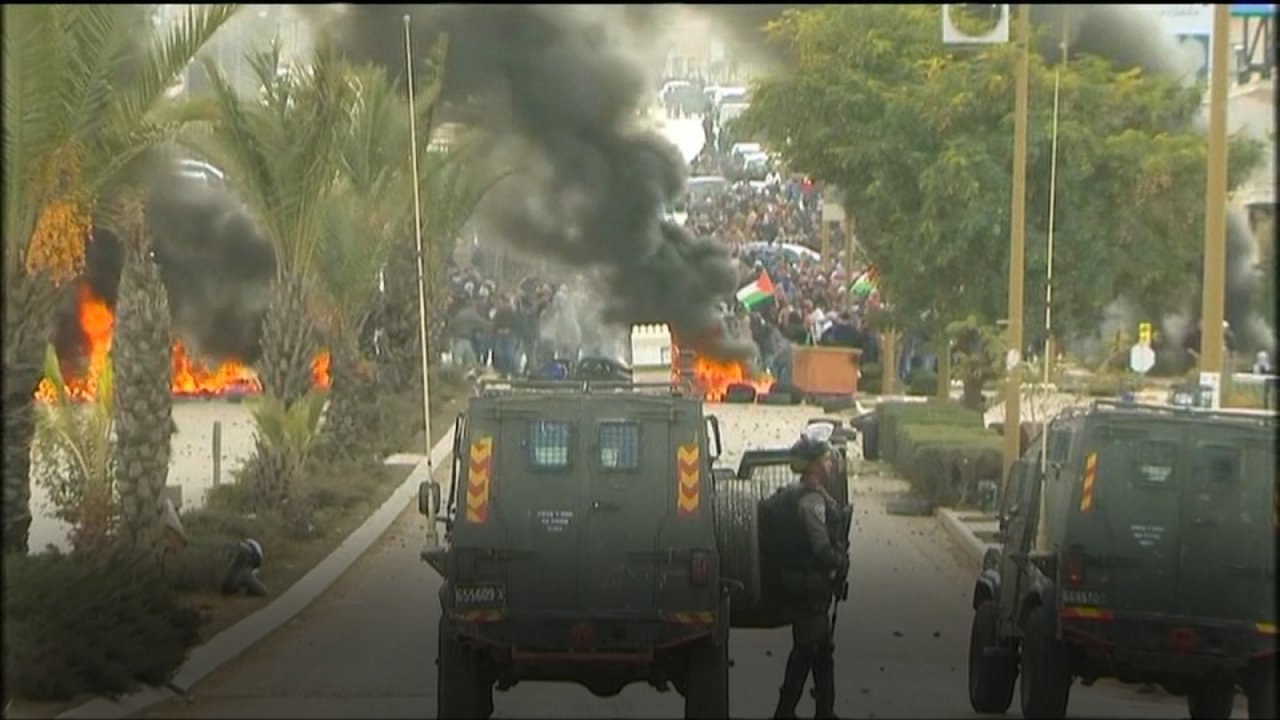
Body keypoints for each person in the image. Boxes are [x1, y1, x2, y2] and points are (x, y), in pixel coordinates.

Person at [773, 435, 849, 719]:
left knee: (821, 650)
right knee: (807, 649)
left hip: (810, 585)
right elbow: (820, 546)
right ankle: (784, 712)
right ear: (815, 465)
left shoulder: (809, 494)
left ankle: (824, 711)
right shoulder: (810, 501)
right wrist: (838, 561)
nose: (831, 465)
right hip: (810, 587)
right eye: (827, 460)